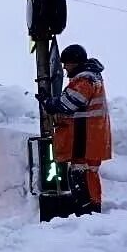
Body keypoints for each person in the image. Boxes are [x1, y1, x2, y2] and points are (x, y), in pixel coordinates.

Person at [39, 43, 113, 214]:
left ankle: (88, 211)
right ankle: (88, 210)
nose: (64, 67)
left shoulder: (84, 80)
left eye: (66, 63)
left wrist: (48, 102)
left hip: (85, 139)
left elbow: (68, 104)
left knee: (82, 176)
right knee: (85, 175)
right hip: (88, 138)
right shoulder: (91, 78)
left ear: (75, 62)